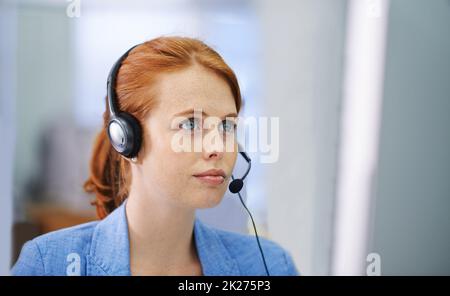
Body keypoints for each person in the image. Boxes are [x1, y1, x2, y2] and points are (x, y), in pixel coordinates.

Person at [11, 36, 299, 276]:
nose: (218, 147)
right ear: (128, 139)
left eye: (227, 125)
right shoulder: (49, 263)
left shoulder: (268, 265)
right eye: (190, 124)